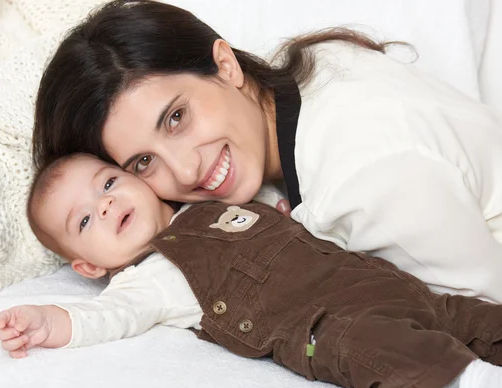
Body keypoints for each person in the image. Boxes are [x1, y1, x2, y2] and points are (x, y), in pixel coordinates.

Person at [32, 0, 502, 303]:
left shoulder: (363, 173)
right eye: (142, 162)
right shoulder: (310, 79)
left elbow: (482, 311)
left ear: (225, 64)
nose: (186, 169)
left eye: (177, 117)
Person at [0, 153, 502, 388]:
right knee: (375, 350)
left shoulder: (207, 202)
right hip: (323, 327)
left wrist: (276, 210)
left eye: (107, 184)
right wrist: (48, 321)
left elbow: (272, 200)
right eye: (84, 222)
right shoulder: (144, 280)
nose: (104, 205)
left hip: (371, 280)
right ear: (87, 266)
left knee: (465, 314)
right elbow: (107, 318)